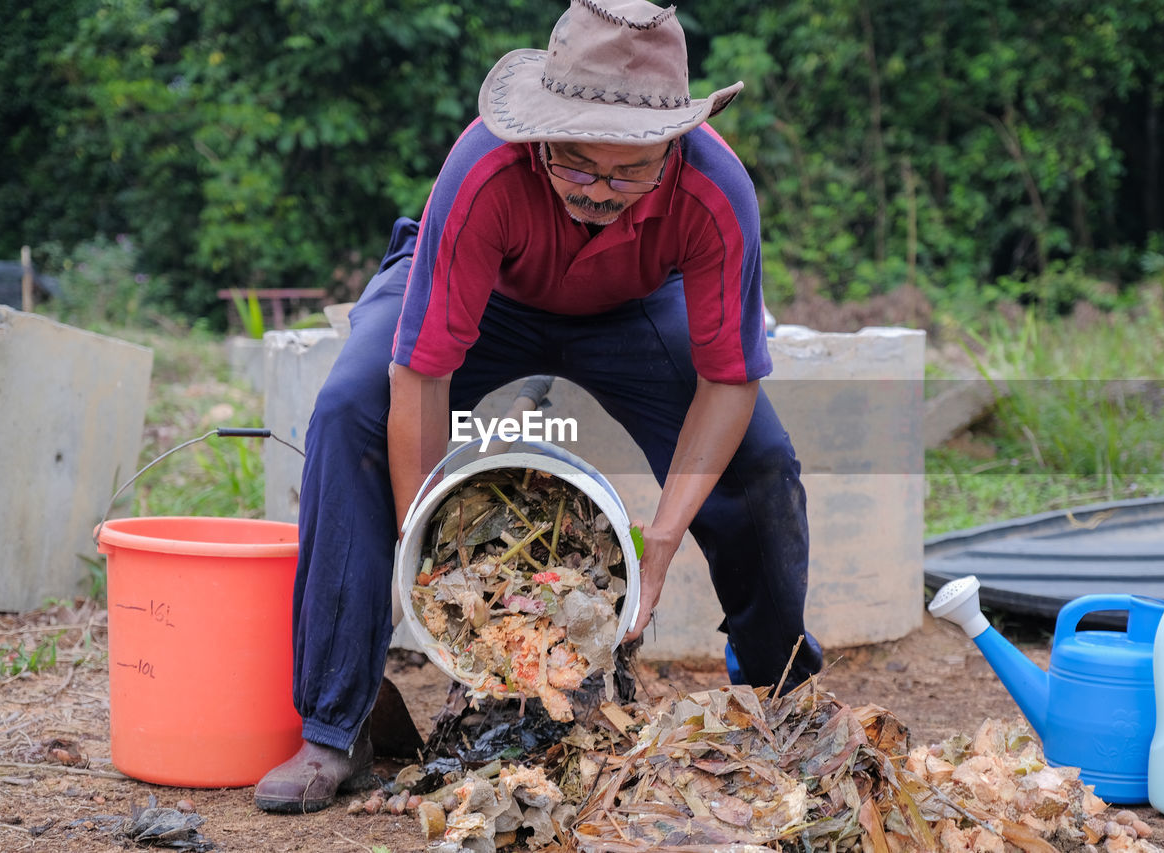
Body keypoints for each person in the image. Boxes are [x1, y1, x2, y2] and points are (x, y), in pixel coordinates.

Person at [254, 0, 824, 814]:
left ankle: (777, 697)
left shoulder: (717, 187)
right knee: (351, 407)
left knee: (761, 462)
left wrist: (660, 538)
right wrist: (429, 542)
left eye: (629, 169)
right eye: (574, 164)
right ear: (541, 136)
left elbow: (730, 377)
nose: (599, 190)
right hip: (493, 295)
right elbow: (419, 372)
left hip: (634, 302)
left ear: (673, 146)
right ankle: (333, 725)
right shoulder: (486, 169)